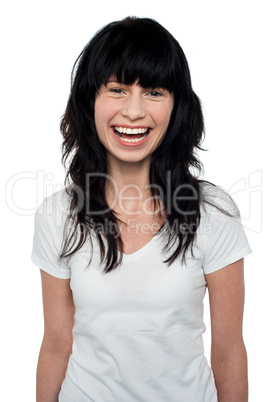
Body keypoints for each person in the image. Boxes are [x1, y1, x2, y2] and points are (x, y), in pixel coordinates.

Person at [31, 16, 251, 402]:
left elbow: (229, 350)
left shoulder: (214, 213)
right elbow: (56, 344)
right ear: (90, 101)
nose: (133, 112)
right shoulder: (57, 214)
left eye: (153, 92)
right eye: (116, 89)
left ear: (176, 105)